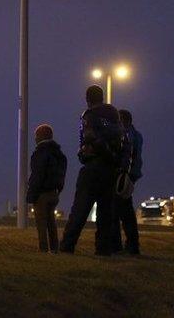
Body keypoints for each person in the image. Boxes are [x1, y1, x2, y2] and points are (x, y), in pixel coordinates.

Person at [60, 85, 124, 256]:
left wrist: (86, 152)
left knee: (80, 210)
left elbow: (89, 138)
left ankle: (67, 246)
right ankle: (103, 249)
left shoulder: (89, 115)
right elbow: (120, 140)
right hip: (110, 170)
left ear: (88, 99)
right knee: (105, 213)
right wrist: (113, 158)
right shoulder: (114, 115)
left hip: (93, 167)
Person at [26, 124, 67, 253]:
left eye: (36, 136)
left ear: (41, 136)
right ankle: (55, 248)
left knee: (41, 223)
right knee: (51, 222)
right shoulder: (59, 154)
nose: (35, 139)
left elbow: (37, 175)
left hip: (42, 193)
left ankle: (43, 249)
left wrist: (31, 194)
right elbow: (62, 174)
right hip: (54, 193)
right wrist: (58, 189)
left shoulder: (40, 153)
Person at [111, 109, 142, 255]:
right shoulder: (137, 135)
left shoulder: (126, 135)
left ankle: (121, 245)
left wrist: (121, 171)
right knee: (126, 211)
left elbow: (127, 156)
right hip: (130, 177)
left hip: (122, 177)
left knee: (119, 211)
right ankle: (132, 245)